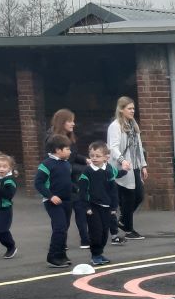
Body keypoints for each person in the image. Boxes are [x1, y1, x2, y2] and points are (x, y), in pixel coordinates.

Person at [47, 109, 91, 250]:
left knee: (80, 209)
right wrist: (84, 169)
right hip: (61, 183)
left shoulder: (69, 137)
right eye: (70, 121)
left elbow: (73, 156)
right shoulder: (52, 140)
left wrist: (85, 160)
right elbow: (62, 164)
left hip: (73, 180)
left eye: (73, 121)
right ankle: (61, 242)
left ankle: (85, 240)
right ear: (62, 122)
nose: (73, 124)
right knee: (64, 215)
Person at [106, 96, 148, 239]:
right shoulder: (115, 126)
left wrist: (143, 165)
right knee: (129, 197)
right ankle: (128, 229)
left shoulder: (133, 125)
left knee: (139, 196)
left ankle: (123, 221)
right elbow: (113, 147)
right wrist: (122, 160)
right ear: (121, 110)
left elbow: (139, 147)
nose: (132, 111)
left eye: (133, 108)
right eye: (129, 108)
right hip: (122, 166)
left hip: (134, 165)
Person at [78, 141, 121, 266]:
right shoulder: (87, 172)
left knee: (104, 232)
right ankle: (95, 255)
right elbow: (82, 192)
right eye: (92, 155)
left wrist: (113, 206)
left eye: (98, 156)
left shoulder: (108, 171)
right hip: (93, 207)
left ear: (106, 157)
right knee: (96, 232)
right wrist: (86, 207)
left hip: (106, 207)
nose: (94, 158)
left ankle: (100, 253)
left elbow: (113, 190)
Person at [36, 135, 75, 267]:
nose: (70, 151)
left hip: (67, 201)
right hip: (52, 202)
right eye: (67, 149)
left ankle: (61, 254)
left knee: (64, 228)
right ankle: (52, 256)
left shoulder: (66, 164)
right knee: (60, 227)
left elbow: (67, 182)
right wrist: (51, 196)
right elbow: (38, 183)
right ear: (58, 150)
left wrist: (76, 189)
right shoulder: (46, 165)